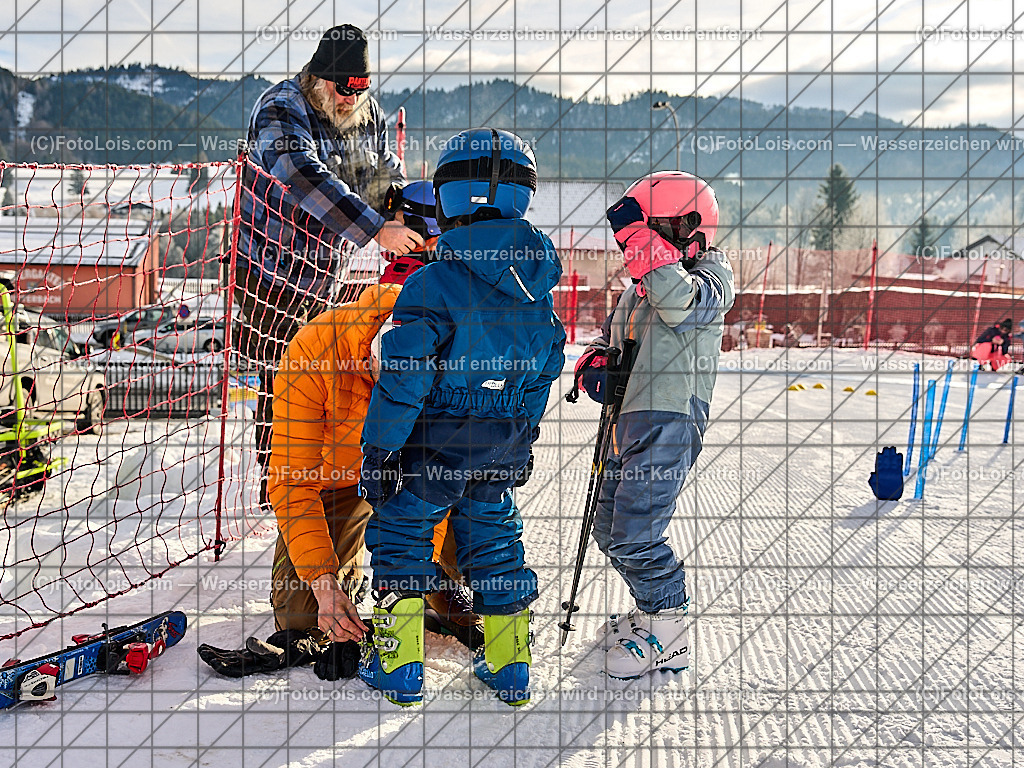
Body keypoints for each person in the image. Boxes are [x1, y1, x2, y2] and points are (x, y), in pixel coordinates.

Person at [198, 184, 477, 681]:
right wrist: (327, 585)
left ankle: (453, 585)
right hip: (336, 481)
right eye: (385, 384)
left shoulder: (452, 351)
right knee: (306, 618)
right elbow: (291, 483)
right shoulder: (314, 352)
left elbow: (437, 473)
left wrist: (418, 570)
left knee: (455, 600)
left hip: (412, 479)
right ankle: (339, 583)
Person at [357, 128, 566, 707]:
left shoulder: (432, 282)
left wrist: (379, 450)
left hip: (432, 441)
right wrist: (522, 437)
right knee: (495, 541)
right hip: (499, 441)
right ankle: (510, 662)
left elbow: (406, 373)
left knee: (403, 534)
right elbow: (546, 365)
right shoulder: (537, 291)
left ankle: (398, 666)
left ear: (450, 199)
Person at [234, 23, 423, 506]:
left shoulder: (364, 111)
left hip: (326, 268)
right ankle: (280, 483)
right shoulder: (281, 108)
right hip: (267, 268)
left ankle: (327, 471)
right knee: (288, 370)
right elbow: (301, 173)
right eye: (344, 89)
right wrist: (375, 228)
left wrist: (397, 208)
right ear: (320, 79)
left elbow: (382, 170)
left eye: (362, 89)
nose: (351, 99)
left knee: (330, 370)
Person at [574, 170, 735, 679]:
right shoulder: (642, 287)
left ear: (691, 227)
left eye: (653, 229)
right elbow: (609, 338)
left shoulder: (713, 280)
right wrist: (595, 363)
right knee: (609, 529)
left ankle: (670, 627)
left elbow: (680, 304)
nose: (640, 245)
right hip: (627, 419)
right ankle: (649, 611)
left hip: (670, 418)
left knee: (637, 533)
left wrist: (638, 239)